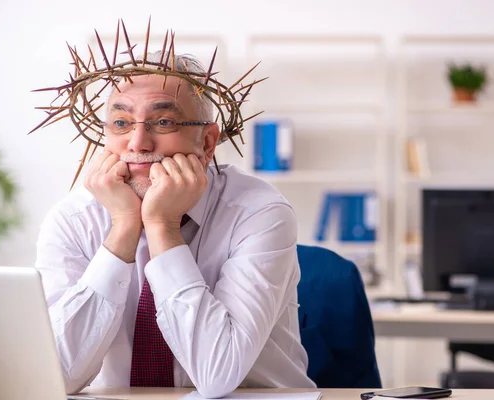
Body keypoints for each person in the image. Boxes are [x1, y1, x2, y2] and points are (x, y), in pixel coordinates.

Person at [35, 51, 316, 398]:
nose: (138, 144)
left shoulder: (259, 212)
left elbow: (217, 375)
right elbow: (55, 376)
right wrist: (124, 226)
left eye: (163, 122)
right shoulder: (72, 220)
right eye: (121, 123)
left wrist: (162, 226)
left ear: (208, 142)